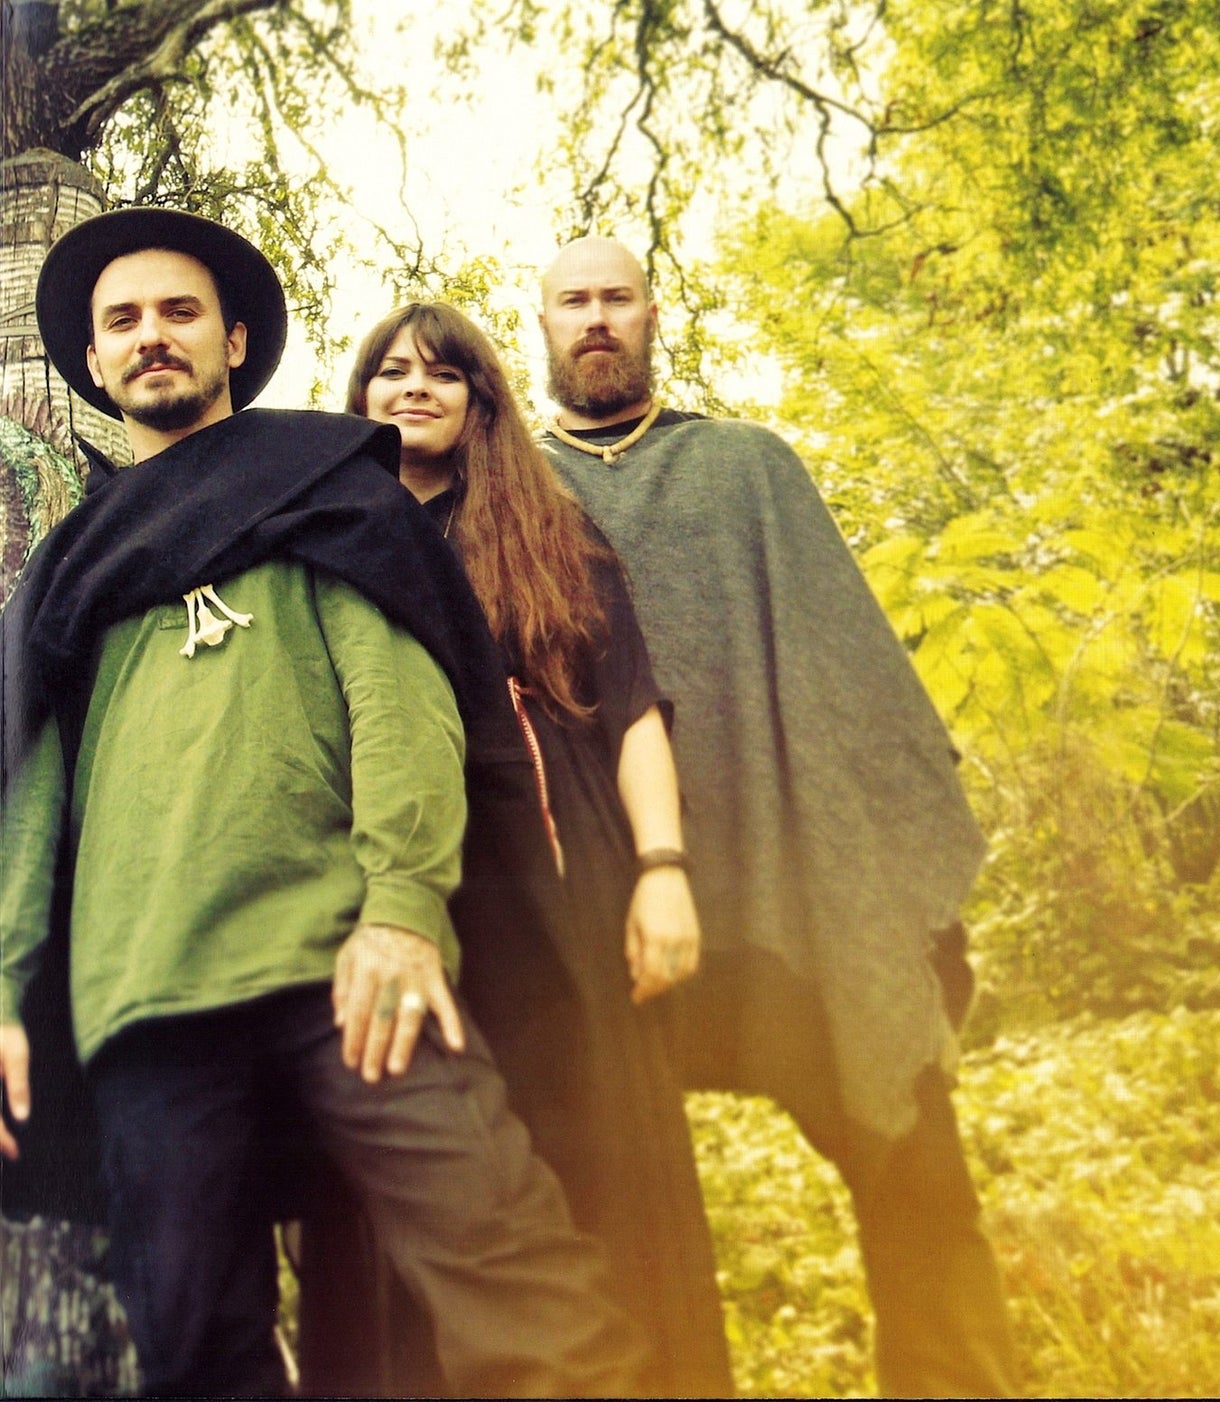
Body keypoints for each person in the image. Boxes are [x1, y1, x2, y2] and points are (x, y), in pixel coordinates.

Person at [0, 208, 645, 1397]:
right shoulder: (69, 565)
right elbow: (27, 795)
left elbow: (403, 710)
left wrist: (401, 909)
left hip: (349, 971)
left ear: (235, 340)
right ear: (91, 359)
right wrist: (3, 993)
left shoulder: (322, 487)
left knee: (524, 1294)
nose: (151, 336)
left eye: (180, 311)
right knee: (197, 1351)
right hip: (144, 1000)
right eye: (122, 321)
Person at [537, 235, 1023, 1398]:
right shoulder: (509, 493)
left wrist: (891, 883)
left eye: (617, 298)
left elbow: (849, 678)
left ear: (652, 315)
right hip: (595, 906)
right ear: (542, 324)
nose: (596, 318)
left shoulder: (746, 466)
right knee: (600, 1213)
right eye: (574, 301)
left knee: (914, 1160)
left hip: (791, 881)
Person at [302, 301, 730, 1397]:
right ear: (359, 398)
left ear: (479, 402)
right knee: (418, 1162)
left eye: (442, 374)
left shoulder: (551, 533)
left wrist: (663, 872)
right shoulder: (323, 545)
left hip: (560, 872)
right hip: (397, 883)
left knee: (592, 1145)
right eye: (390, 372)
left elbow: (631, 710)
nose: (414, 388)